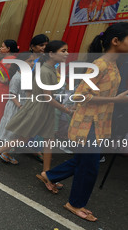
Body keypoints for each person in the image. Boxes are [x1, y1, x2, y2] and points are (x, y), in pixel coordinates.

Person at [36, 23, 128, 222]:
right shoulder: (101, 65)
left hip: (99, 122)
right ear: (115, 41)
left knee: (84, 161)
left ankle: (49, 176)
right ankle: (75, 203)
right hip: (87, 124)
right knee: (90, 166)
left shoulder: (112, 64)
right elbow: (79, 96)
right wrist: (116, 100)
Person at [0, 41, 73, 171]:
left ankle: (47, 173)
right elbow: (48, 98)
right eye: (63, 51)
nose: (67, 54)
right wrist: (67, 110)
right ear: (51, 54)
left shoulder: (50, 69)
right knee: (24, 137)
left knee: (47, 140)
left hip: (46, 109)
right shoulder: (45, 71)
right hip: (39, 109)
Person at [0, 52, 36, 164]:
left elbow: (29, 93)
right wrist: (21, 106)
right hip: (16, 107)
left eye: (33, 61)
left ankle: (5, 152)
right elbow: (12, 94)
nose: (32, 63)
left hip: (24, 107)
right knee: (13, 133)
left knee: (19, 134)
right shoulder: (17, 77)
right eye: (30, 61)